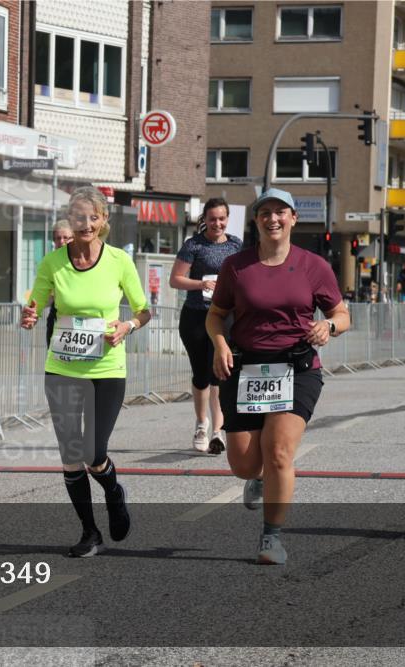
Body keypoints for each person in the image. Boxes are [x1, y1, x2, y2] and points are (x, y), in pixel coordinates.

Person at [206, 188, 350, 565]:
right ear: (256, 220)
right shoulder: (236, 266)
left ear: (293, 219)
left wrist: (329, 327)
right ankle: (257, 480)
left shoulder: (313, 266)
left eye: (280, 212)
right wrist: (220, 344)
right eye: (265, 213)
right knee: (244, 465)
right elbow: (215, 314)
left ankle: (272, 537)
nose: (273, 219)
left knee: (280, 453)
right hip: (245, 368)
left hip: (296, 367)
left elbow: (342, 314)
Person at [21, 186, 151, 558]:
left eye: (93, 217)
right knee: (70, 453)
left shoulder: (118, 262)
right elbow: (35, 303)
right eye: (80, 217)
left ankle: (113, 490)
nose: (86, 224)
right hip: (61, 367)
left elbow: (143, 309)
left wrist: (129, 326)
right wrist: (29, 315)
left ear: (103, 221)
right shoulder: (53, 262)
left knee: (94, 452)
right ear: (70, 220)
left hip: (106, 369)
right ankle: (89, 532)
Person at [169, 198, 242, 455]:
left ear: (227, 218)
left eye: (222, 218)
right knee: (201, 375)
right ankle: (202, 424)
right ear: (205, 219)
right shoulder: (193, 245)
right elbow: (175, 280)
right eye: (212, 219)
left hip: (225, 319)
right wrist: (201, 284)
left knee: (219, 374)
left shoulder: (236, 245)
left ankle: (218, 432)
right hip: (196, 317)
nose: (217, 223)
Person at [45, 219, 75, 346]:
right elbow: (46, 296)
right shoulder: (50, 262)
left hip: (81, 319)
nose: (61, 242)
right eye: (58, 238)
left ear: (74, 238)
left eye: (66, 238)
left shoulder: (83, 261)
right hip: (57, 317)